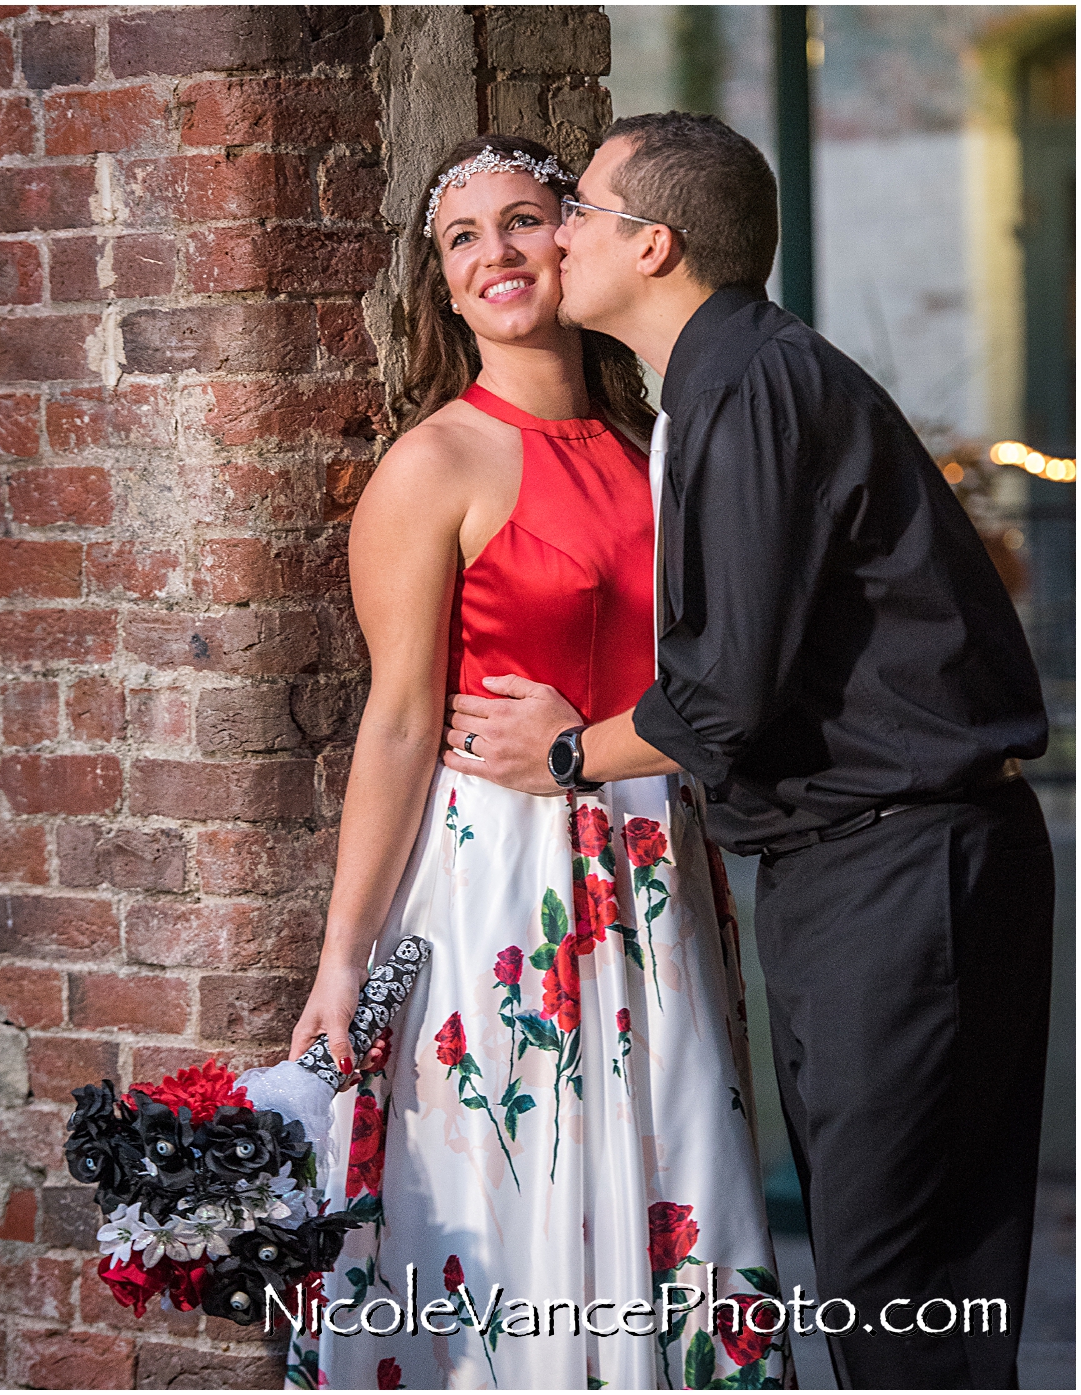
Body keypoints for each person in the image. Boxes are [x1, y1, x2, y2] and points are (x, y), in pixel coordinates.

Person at [449, 113, 1052, 1390]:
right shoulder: (736, 379)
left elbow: (718, 695)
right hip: (904, 865)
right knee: (932, 1290)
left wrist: (563, 755)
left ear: (650, 245)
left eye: (576, 213)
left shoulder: (744, 386)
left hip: (899, 872)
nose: (551, 236)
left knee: (895, 1288)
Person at [283, 136, 788, 1391]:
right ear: (442, 289)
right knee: (523, 1177)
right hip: (502, 881)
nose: (497, 254)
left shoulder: (659, 448)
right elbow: (397, 722)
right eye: (464, 240)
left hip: (656, 861)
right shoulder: (432, 464)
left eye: (522, 222)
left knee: (672, 1163)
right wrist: (341, 958)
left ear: (575, 241)